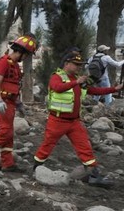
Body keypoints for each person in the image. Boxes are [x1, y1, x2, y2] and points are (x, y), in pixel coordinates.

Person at [33, 49, 123, 188]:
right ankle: (36, 168)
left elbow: (93, 90)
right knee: (47, 145)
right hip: (57, 121)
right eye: (76, 64)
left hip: (74, 122)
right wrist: (76, 82)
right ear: (67, 63)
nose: (79, 67)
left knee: (84, 146)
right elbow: (57, 88)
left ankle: (94, 175)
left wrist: (114, 89)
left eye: (80, 65)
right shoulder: (57, 77)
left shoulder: (78, 79)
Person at [0, 34, 38, 172]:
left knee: (9, 134)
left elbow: (14, 87)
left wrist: (19, 104)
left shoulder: (15, 66)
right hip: (1, 103)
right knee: (6, 132)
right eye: (26, 55)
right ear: (21, 52)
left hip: (10, 103)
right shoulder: (3, 62)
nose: (26, 58)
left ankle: (7, 163)